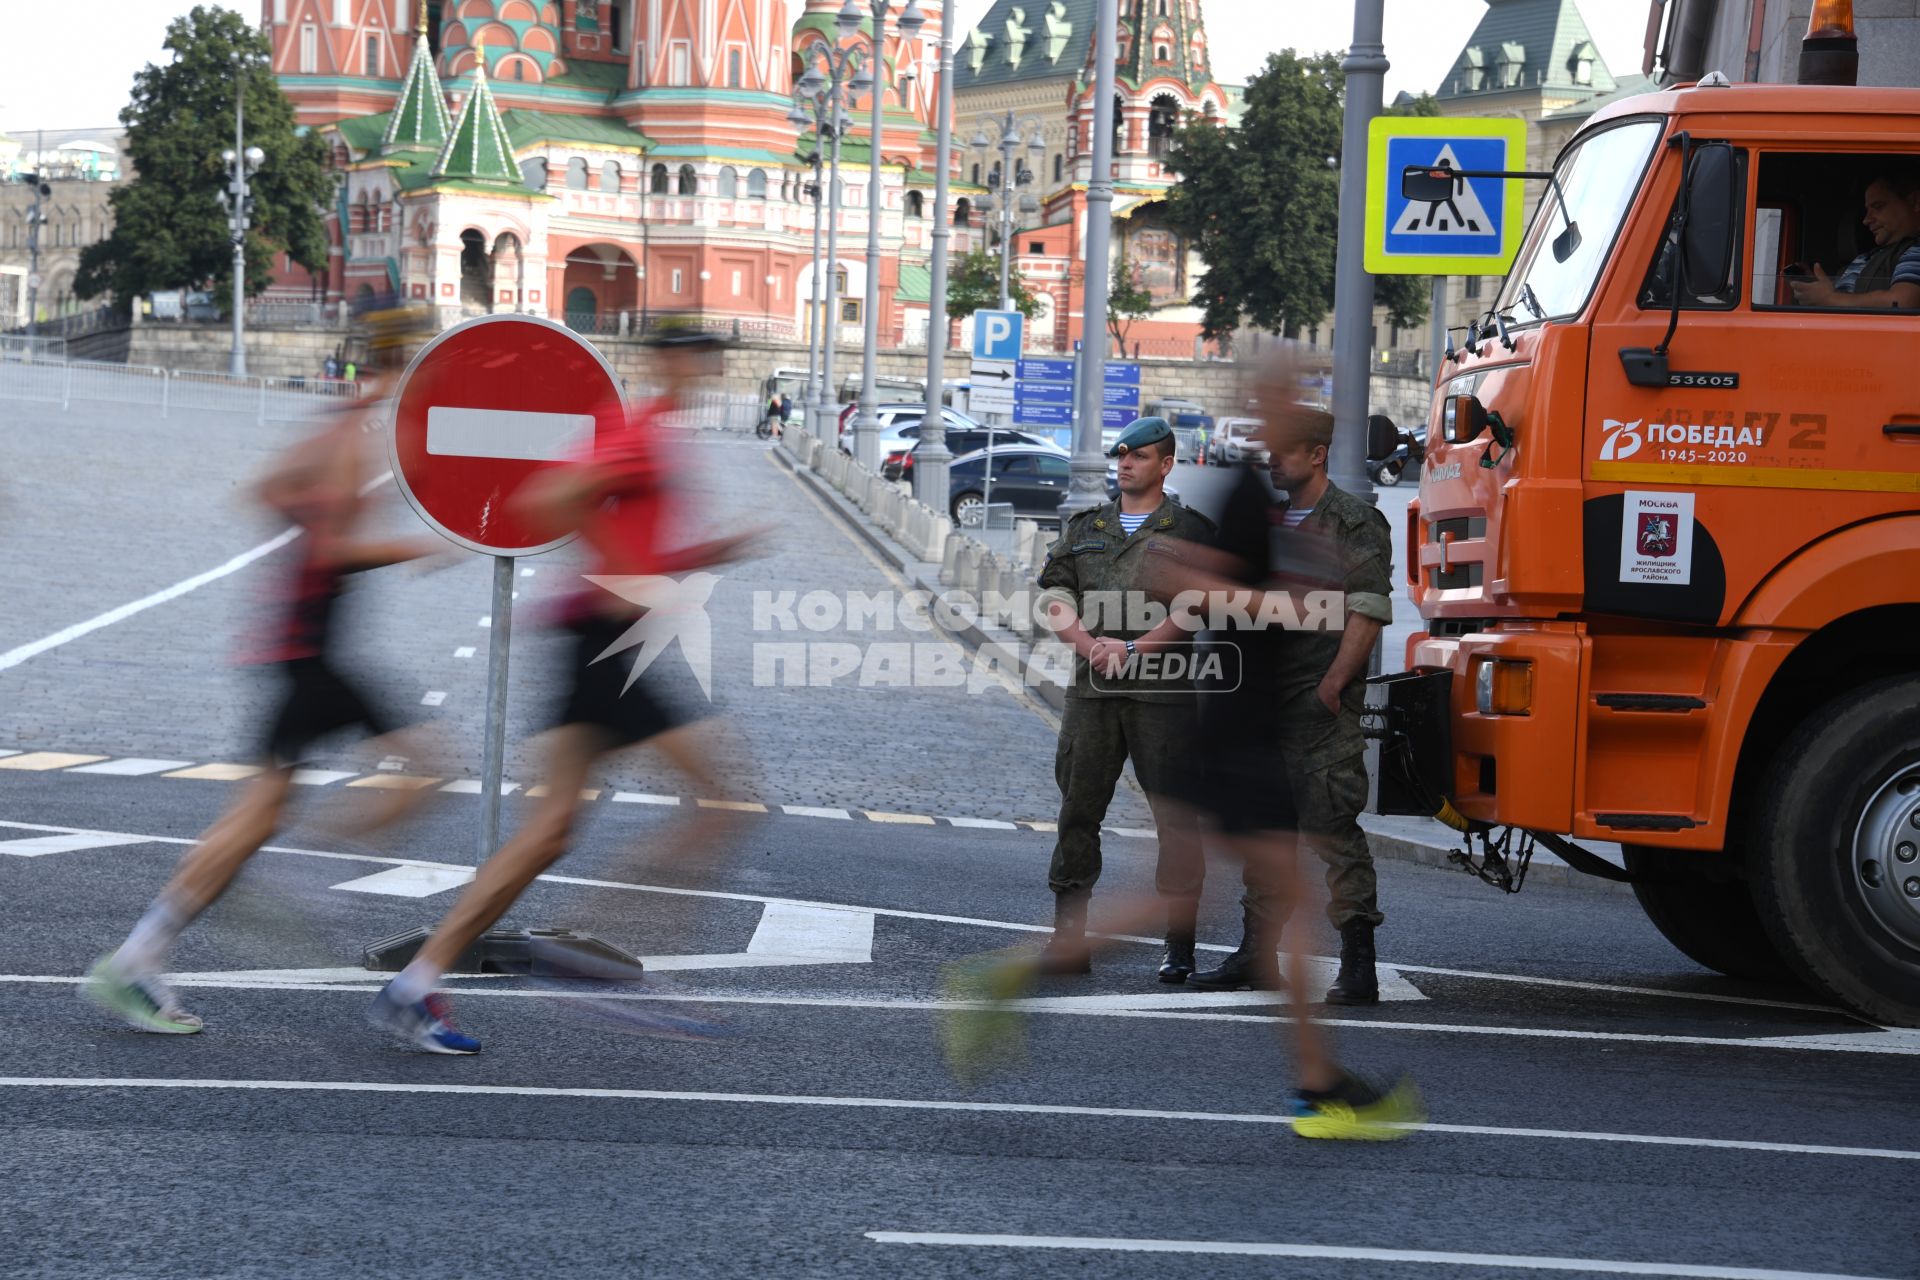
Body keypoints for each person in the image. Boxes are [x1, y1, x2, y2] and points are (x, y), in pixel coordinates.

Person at [939, 354, 1423, 1141]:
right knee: (1239, 899)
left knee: (1283, 908)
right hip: (1240, 731)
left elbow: (1193, 579)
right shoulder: (1238, 497)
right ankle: (1006, 978)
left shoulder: (1256, 500)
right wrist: (1288, 597)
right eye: (1280, 396)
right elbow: (1184, 582)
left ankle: (1319, 1087)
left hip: (1243, 723)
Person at [366, 328, 762, 1054]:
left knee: (550, 831)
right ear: (670, 360)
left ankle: (415, 985)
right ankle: (598, 964)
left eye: (715, 358)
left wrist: (709, 554)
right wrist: (617, 570)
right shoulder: (637, 432)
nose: (710, 369)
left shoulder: (653, 434)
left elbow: (635, 543)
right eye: (701, 356)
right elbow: (552, 497)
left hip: (600, 641)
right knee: (724, 803)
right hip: (606, 644)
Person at [81, 306, 443, 1035]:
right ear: (408, 363)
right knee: (428, 768)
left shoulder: (339, 423)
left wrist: (313, 522)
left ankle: (137, 959)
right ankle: (294, 883)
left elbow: (266, 491)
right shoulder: (351, 436)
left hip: (298, 646)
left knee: (252, 819)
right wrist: (421, 546)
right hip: (312, 650)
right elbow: (337, 545)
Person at [1187, 399, 1394, 1006]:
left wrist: (1334, 683)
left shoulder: (1351, 522)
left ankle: (1359, 961)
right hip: (1263, 704)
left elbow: (1369, 608)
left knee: (1331, 829)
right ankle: (1258, 953)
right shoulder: (1274, 522)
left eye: (1284, 451)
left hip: (1317, 704)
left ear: (1317, 454)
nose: (1272, 461)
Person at [1031, 416, 1214, 981]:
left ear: (1165, 465)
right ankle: (1069, 936)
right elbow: (1056, 590)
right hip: (1093, 694)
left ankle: (1178, 946)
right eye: (1121, 455)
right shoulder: (1087, 525)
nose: (1126, 463)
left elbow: (1198, 605)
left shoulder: (1190, 530)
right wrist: (1087, 644)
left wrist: (1134, 648)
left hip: (1164, 698)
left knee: (1176, 821)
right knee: (1078, 811)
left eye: (1139, 456)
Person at [1789, 168, 1920, 310]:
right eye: (1867, 210)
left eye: (1878, 207)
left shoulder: (1916, 252)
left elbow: (1904, 303)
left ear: (1914, 202)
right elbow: (1846, 301)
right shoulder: (1865, 258)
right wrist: (1816, 288)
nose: (1866, 220)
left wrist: (1829, 298)